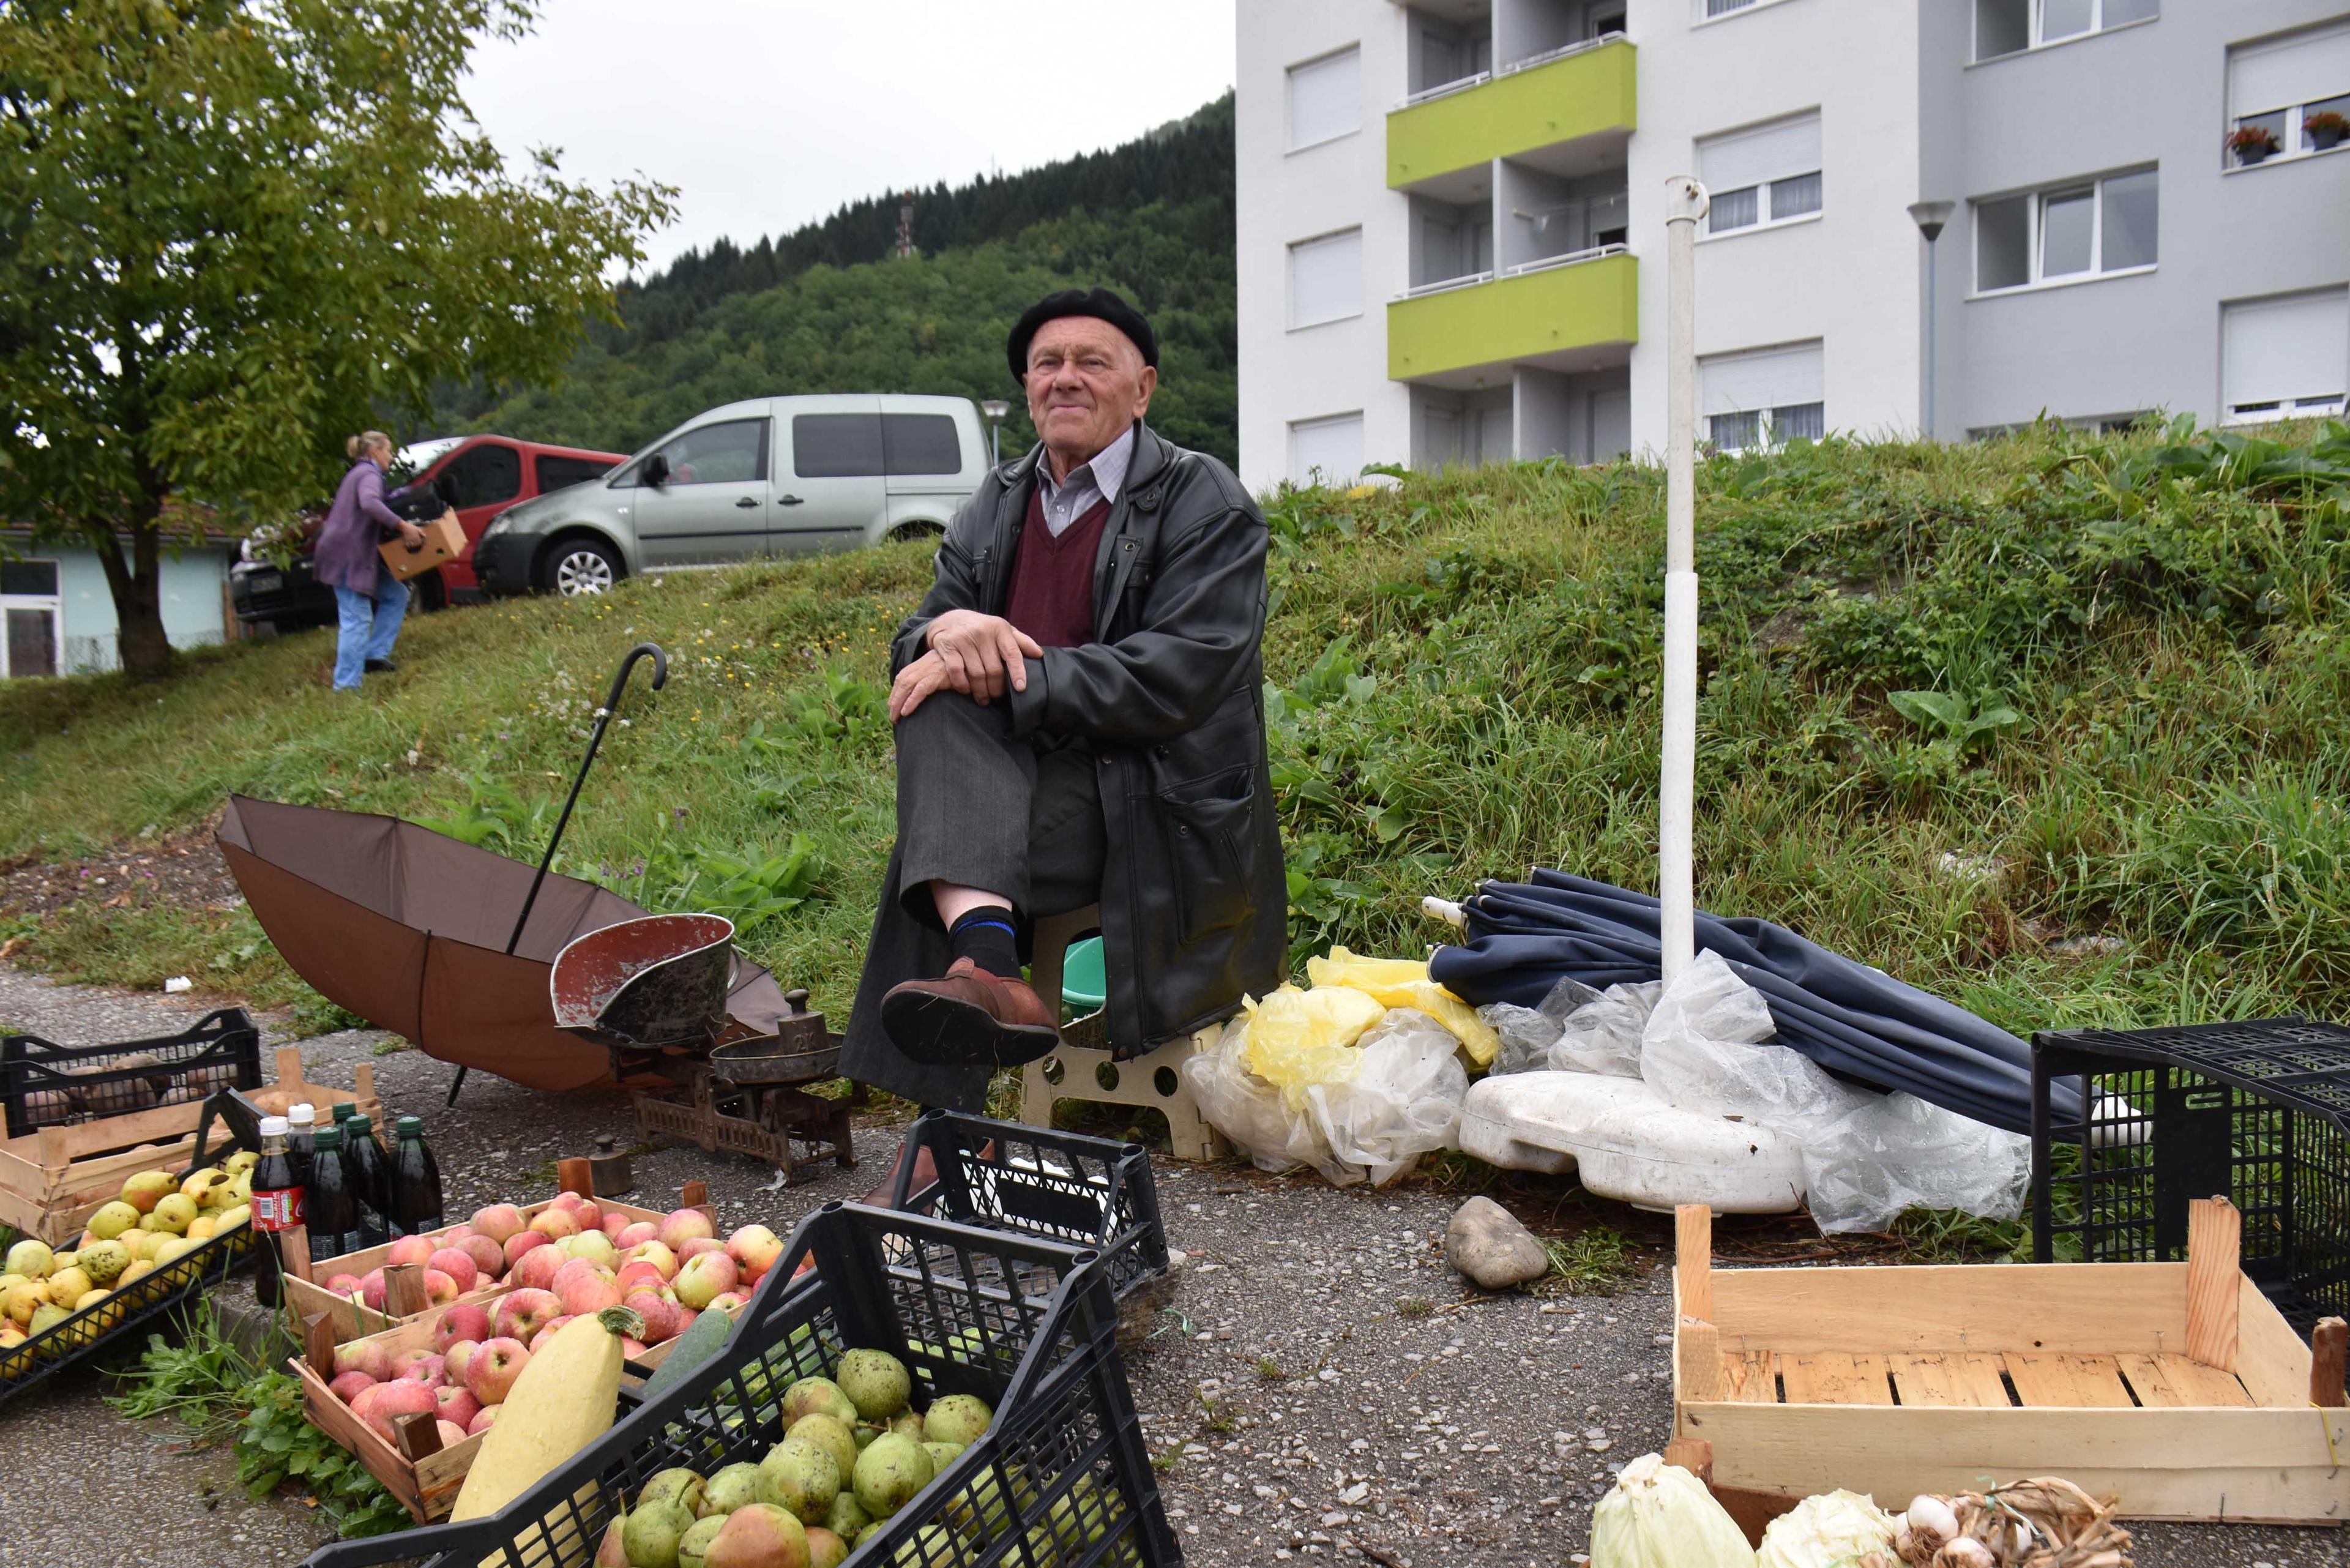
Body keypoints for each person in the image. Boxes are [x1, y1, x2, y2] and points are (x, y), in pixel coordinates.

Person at [841, 288, 1287, 1112]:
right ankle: (990, 974)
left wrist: (1014, 667)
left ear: (1143, 388)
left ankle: (950, 1120)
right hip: (1014, 790)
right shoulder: (997, 502)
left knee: (934, 844)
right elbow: (919, 638)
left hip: (1146, 804)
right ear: (1027, 387)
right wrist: (943, 640)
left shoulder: (1203, 501)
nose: (1066, 379)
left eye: (1093, 362)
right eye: (1048, 363)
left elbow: (1178, 673)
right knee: (934, 706)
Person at [315, 431, 425, 690]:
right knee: (357, 617)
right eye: (388, 450)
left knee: (396, 595)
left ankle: (374, 656)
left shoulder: (359, 474)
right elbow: (370, 504)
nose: (391, 455)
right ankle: (346, 686)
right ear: (375, 451)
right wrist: (404, 527)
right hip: (346, 556)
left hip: (353, 555)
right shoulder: (368, 474)